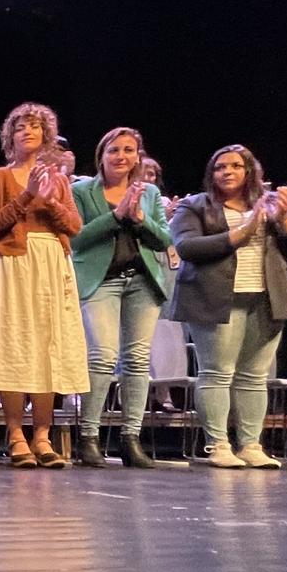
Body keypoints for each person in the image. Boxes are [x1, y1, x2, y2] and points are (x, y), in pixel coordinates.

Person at [166, 145, 287, 468]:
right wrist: (242, 232)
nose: (227, 172)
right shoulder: (195, 206)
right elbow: (187, 246)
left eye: (235, 166)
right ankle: (217, 445)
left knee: (254, 376)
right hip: (216, 299)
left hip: (267, 297)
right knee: (216, 373)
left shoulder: (271, 204)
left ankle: (250, 445)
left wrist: (284, 218)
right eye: (220, 167)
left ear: (249, 171)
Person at [0, 103, 88, 468]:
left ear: (46, 136)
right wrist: (26, 196)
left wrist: (52, 200)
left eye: (35, 127)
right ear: (11, 136)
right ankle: (15, 435)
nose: (27, 131)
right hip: (12, 262)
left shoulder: (58, 178)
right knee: (13, 346)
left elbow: (73, 226)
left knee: (47, 347)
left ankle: (42, 435)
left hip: (51, 262)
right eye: (20, 127)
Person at [70, 127, 174, 468]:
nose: (121, 156)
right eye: (114, 150)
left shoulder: (149, 193)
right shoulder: (82, 191)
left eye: (129, 150)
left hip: (142, 282)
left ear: (137, 156)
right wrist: (116, 217)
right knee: (101, 356)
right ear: (101, 155)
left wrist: (140, 220)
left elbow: (164, 239)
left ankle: (131, 439)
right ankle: (88, 438)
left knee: (137, 361)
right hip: (101, 281)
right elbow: (76, 239)